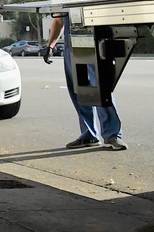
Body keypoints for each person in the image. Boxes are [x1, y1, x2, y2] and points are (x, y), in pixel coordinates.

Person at [44, 12, 127, 150]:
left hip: (96, 40)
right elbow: (59, 21)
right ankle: (89, 134)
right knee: (78, 90)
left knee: (101, 88)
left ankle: (113, 135)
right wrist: (50, 45)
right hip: (72, 43)